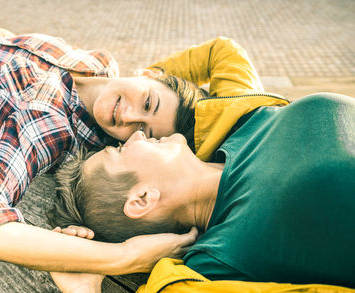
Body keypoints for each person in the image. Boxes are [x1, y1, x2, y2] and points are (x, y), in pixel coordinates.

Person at [0, 0, 288, 276]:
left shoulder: (48, 129)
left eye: (142, 132)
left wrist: (120, 258)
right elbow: (222, 51)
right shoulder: (102, 66)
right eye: (146, 101)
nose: (127, 117)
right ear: (149, 75)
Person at [51, 93, 355, 289]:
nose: (136, 135)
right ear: (142, 199)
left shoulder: (236, 128)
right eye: (119, 150)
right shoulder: (219, 261)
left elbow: (222, 51)